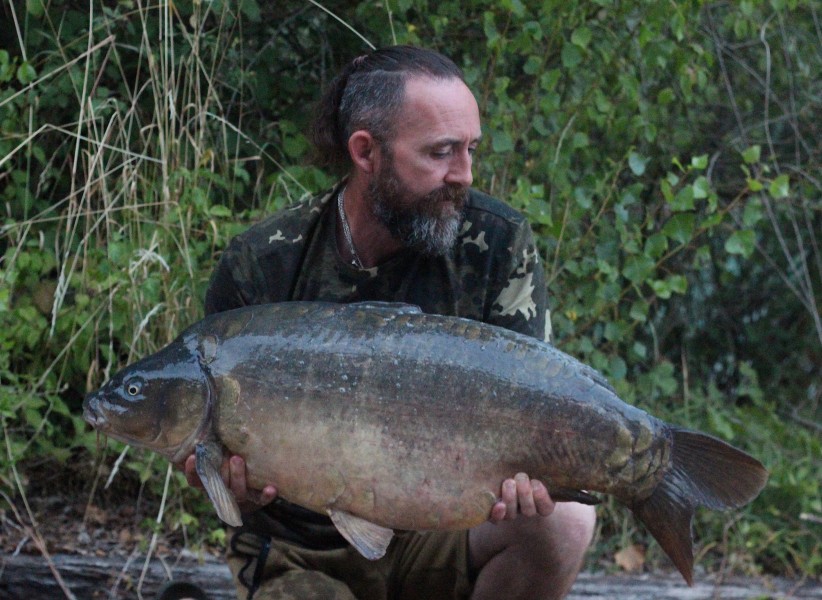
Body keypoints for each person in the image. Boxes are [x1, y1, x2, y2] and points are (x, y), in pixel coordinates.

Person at [183, 45, 595, 600]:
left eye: (470, 149)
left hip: (442, 529)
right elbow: (224, 474)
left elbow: (538, 402)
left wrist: (535, 477)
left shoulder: (496, 242)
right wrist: (234, 488)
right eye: (441, 152)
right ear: (366, 152)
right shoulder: (263, 263)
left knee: (564, 522)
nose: (465, 176)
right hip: (298, 546)